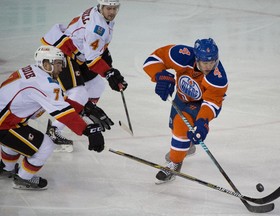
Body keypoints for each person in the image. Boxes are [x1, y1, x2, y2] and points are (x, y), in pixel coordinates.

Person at [0, 45, 108, 190]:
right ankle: (23, 178)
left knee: (18, 139)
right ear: (46, 64)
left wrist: (86, 110)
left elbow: (60, 101)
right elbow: (64, 113)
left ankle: (7, 168)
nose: (62, 68)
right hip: (4, 125)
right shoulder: (45, 84)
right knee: (45, 145)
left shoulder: (34, 70)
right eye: (58, 63)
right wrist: (89, 131)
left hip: (8, 121)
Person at [40, 0, 127, 151]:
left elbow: (98, 49)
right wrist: (109, 73)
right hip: (60, 52)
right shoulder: (97, 27)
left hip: (76, 53)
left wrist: (110, 71)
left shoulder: (101, 16)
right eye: (108, 8)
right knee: (77, 93)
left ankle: (80, 114)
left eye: (114, 8)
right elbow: (92, 60)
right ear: (101, 7)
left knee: (97, 85)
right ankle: (54, 130)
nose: (112, 12)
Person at [143, 38, 228, 184]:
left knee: (181, 126)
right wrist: (160, 76)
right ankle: (186, 146)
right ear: (196, 58)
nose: (209, 66)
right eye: (205, 63)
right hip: (181, 97)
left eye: (212, 62)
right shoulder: (182, 54)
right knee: (175, 129)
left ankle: (174, 164)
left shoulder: (218, 78)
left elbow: (212, 103)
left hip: (199, 104)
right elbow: (153, 59)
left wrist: (202, 122)